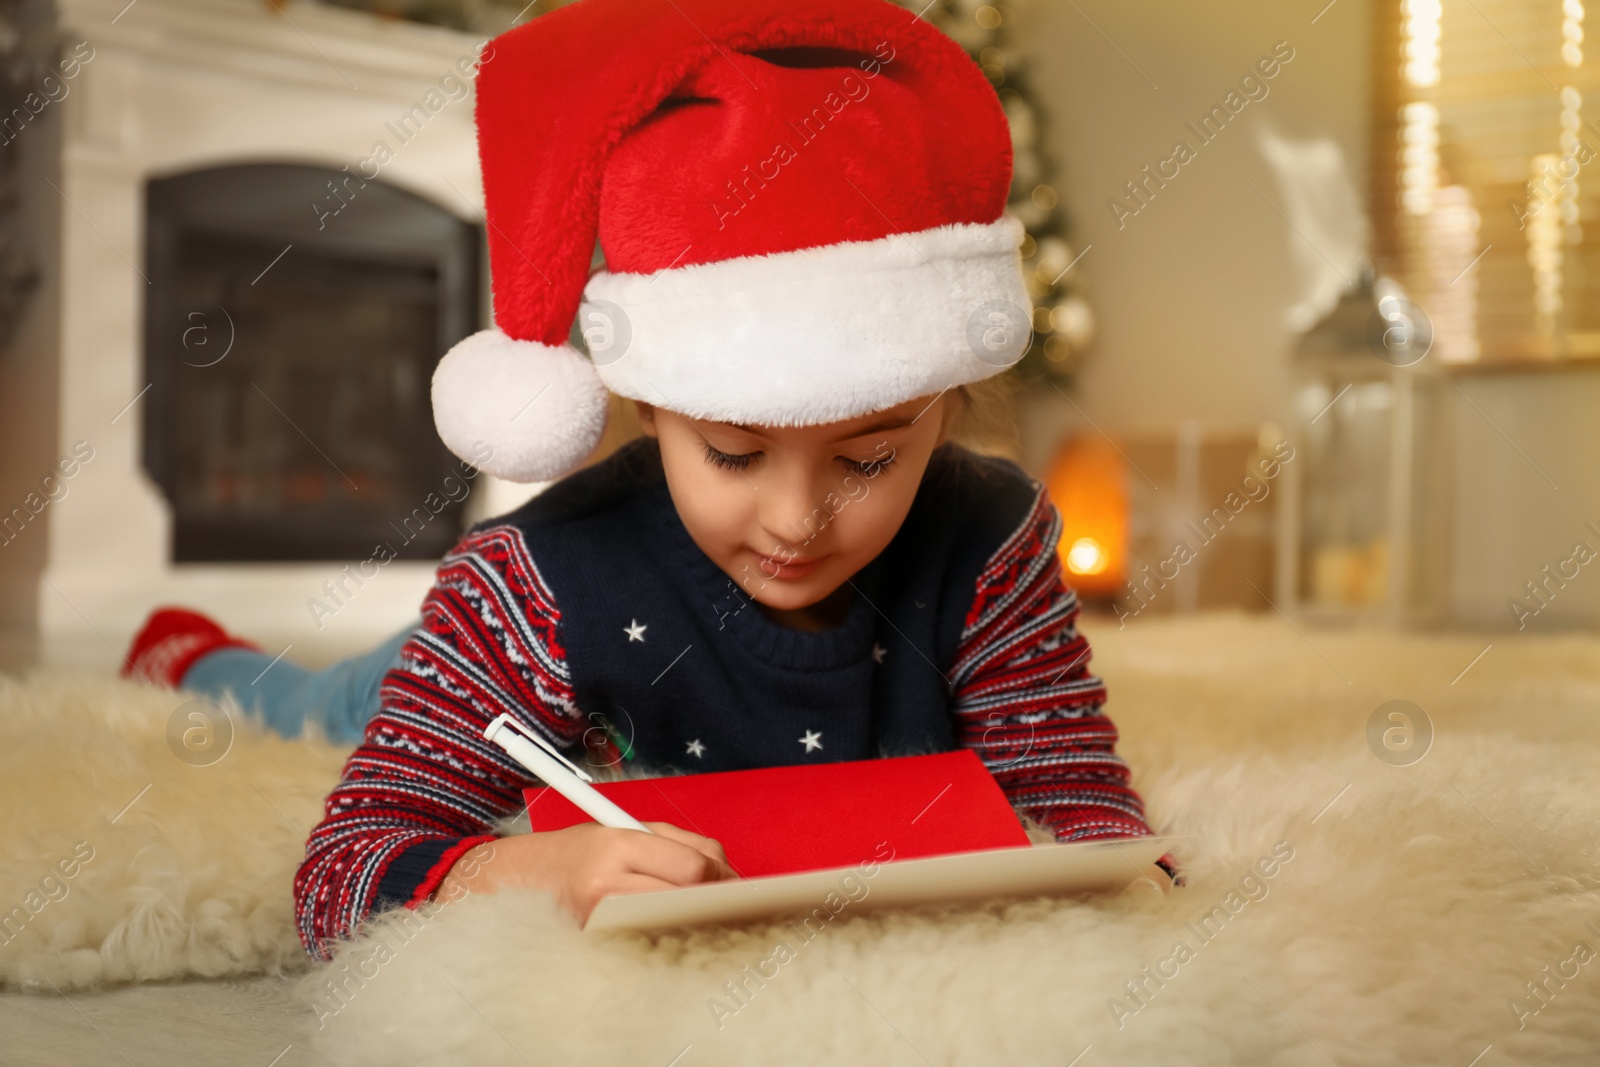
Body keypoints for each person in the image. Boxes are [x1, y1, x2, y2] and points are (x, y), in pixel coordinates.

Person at [123, 0, 1180, 960]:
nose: (795, 519)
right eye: (732, 453)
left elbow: (1077, 799)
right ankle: (193, 655)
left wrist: (1130, 878)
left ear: (946, 408)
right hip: (456, 670)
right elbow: (342, 872)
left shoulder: (986, 543)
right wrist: (522, 869)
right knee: (309, 702)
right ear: (651, 408)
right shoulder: (527, 589)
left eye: (867, 458)